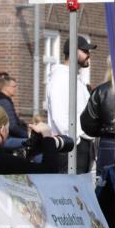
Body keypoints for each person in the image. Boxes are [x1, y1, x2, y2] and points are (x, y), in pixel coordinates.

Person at [46, 35, 96, 173]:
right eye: (85, 51)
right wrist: (77, 139)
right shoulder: (60, 78)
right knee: (68, 192)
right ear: (74, 52)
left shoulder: (75, 78)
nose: (88, 55)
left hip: (80, 145)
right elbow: (59, 115)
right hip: (70, 147)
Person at [0, 74, 28, 143]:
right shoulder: (3, 102)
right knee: (34, 143)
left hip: (5, 136)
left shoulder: (1, 99)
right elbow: (12, 127)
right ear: (6, 87)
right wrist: (27, 135)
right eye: (14, 86)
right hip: (5, 138)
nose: (16, 89)